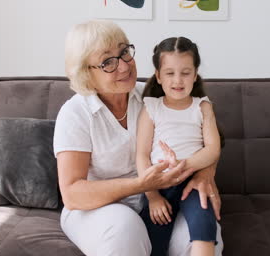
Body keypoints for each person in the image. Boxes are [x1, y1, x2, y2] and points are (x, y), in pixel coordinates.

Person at [53, 19, 223, 256]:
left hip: (161, 200)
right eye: (108, 62)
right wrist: (142, 186)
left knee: (203, 238)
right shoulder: (75, 113)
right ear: (86, 74)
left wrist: (205, 174)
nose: (123, 66)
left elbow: (204, 137)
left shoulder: (153, 97)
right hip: (97, 208)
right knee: (125, 229)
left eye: (124, 52)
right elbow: (72, 194)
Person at [136, 37, 221, 256]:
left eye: (185, 73)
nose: (178, 80)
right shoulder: (151, 108)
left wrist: (183, 166)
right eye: (170, 73)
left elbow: (212, 149)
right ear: (158, 76)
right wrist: (153, 196)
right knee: (155, 239)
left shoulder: (202, 107)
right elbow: (142, 156)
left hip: (192, 182)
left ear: (195, 74)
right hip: (159, 182)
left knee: (204, 227)